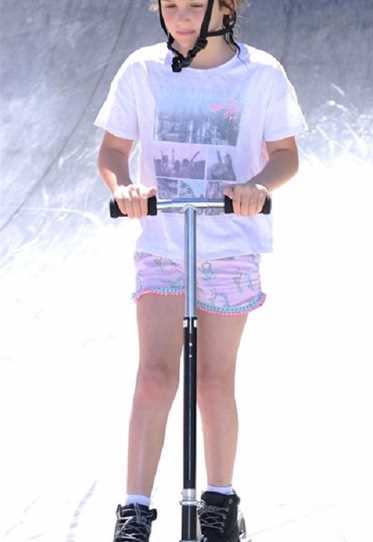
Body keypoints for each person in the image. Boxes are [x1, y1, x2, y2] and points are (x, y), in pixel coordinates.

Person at [95, 1, 306, 540]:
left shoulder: (260, 75)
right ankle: (135, 508)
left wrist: (259, 185)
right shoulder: (141, 70)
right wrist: (124, 188)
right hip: (164, 243)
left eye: (194, 5)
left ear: (226, 8)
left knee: (214, 379)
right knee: (155, 375)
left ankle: (219, 501)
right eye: (171, 6)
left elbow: (286, 153)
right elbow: (113, 150)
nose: (181, 17)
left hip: (229, 244)